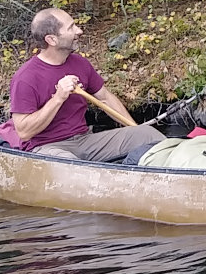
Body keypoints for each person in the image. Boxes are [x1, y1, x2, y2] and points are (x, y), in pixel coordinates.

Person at [9, 8, 164, 160]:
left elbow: (105, 98)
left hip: (85, 141)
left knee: (147, 134)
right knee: (69, 164)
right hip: (48, 147)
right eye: (71, 28)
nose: (79, 31)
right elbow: (24, 132)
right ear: (51, 40)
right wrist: (57, 98)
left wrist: (133, 127)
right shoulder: (25, 78)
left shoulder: (80, 63)